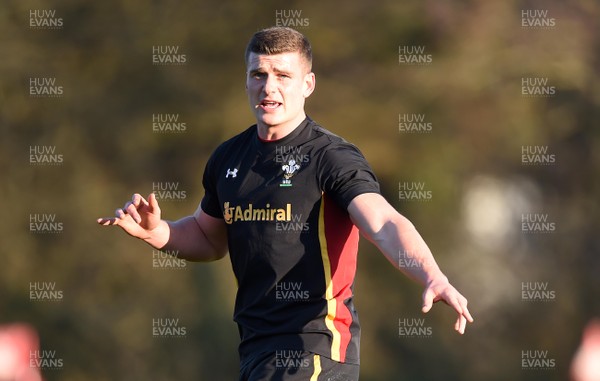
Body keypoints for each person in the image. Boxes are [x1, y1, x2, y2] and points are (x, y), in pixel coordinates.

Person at [98, 26, 473, 381]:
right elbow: (209, 238)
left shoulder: (331, 157)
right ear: (246, 80)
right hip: (255, 350)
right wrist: (157, 232)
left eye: (283, 75)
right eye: (258, 74)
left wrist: (431, 274)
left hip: (312, 346)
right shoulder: (229, 158)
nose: (268, 86)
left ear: (308, 84)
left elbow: (384, 222)